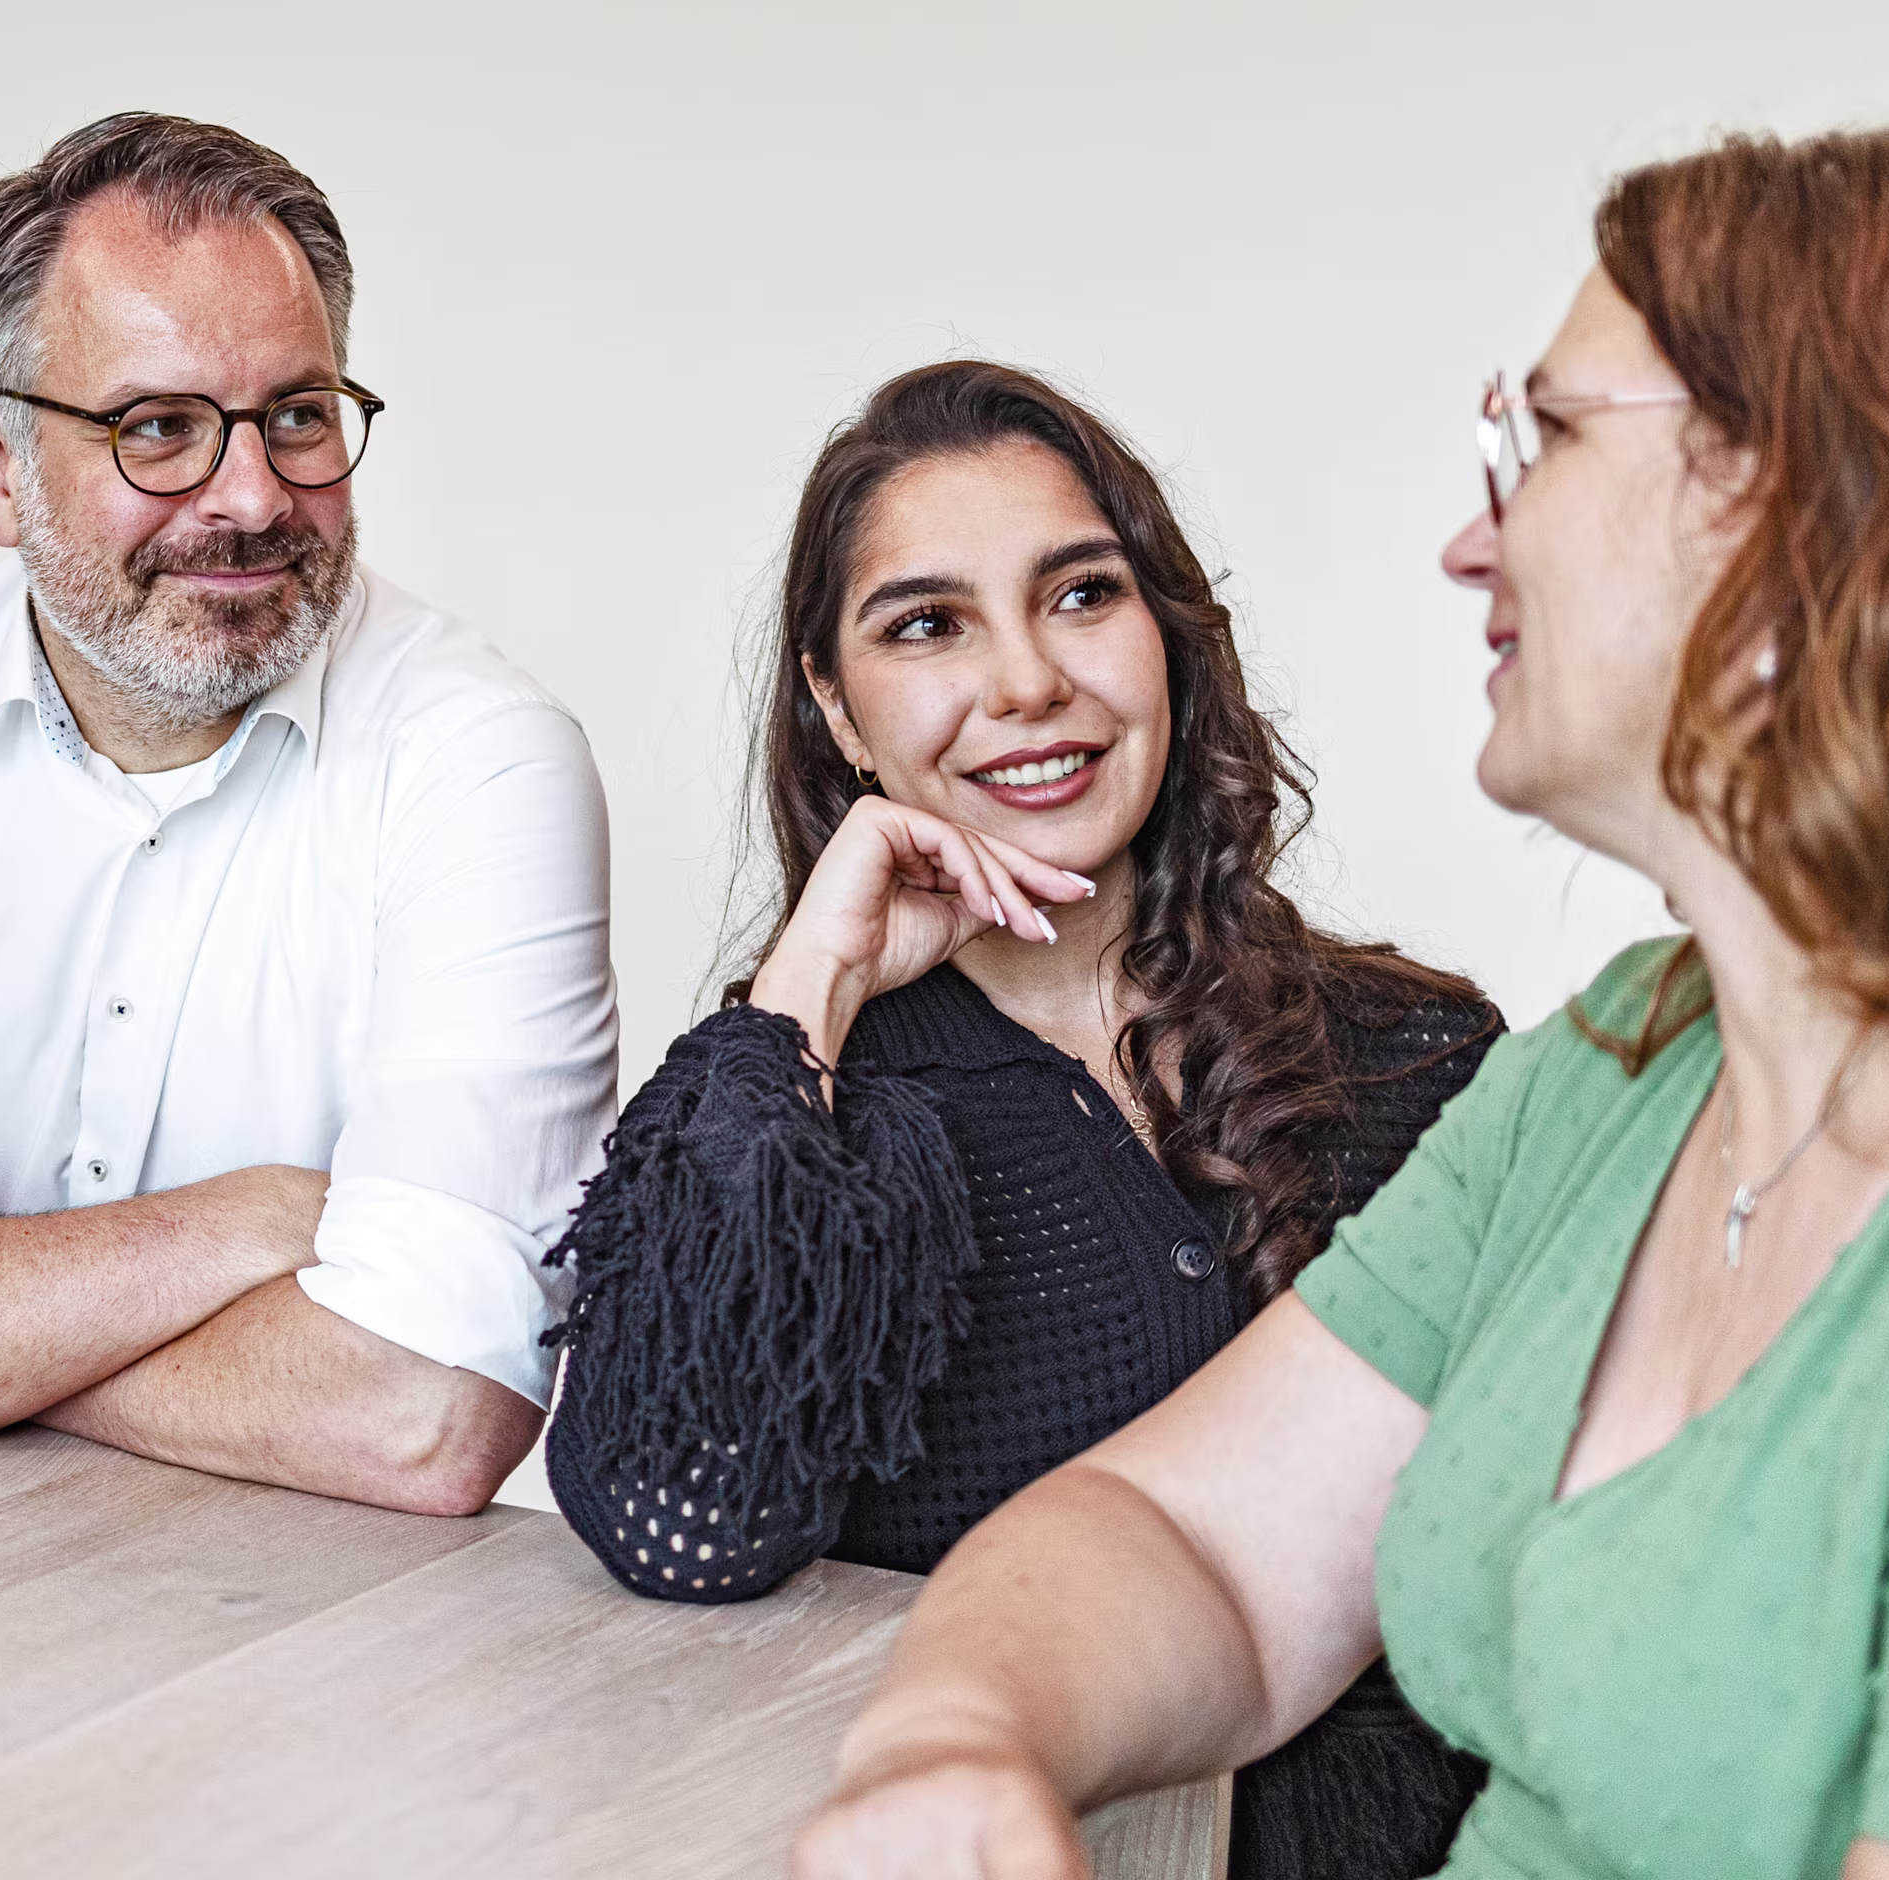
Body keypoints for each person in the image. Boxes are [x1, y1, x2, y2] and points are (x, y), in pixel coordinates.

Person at [796, 128, 1889, 1880]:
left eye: (1540, 440)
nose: (1468, 545)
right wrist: (954, 1741)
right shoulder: (1638, 1056)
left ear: (1839, 509)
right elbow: (1198, 1545)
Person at [544, 361, 1494, 1878]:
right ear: (835, 707)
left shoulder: (1417, 1052)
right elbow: (681, 1521)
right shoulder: (796, 1115)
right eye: (928, 625)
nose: (1028, 683)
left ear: (1168, 635)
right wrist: (811, 988)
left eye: (1081, 595)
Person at [0, 112, 615, 1516]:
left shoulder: (481, 762)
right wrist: (254, 1226)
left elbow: (427, 1412)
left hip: (335, 1652)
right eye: (160, 431)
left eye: (299, 417)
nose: (252, 497)